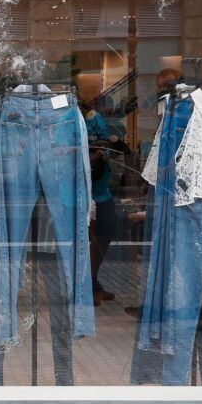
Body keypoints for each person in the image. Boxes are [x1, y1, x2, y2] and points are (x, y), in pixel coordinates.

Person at [84, 102, 126, 305]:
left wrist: (110, 148)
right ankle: (87, 285)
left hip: (103, 194)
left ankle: (93, 279)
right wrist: (94, 156)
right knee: (91, 240)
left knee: (105, 236)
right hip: (86, 196)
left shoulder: (107, 133)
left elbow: (121, 151)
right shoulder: (79, 132)